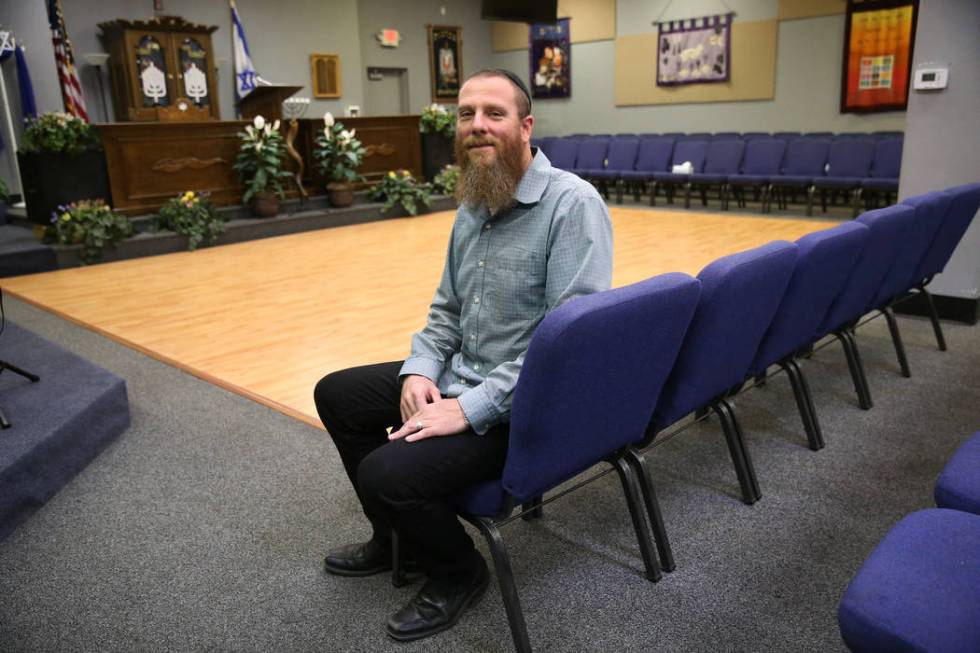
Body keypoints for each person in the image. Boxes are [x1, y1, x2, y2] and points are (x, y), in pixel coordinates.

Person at [314, 68, 613, 643]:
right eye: (466, 113)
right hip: (460, 373)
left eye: (494, 114)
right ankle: (395, 538)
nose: (477, 125)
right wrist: (421, 369)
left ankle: (459, 571)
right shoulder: (475, 202)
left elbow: (567, 345)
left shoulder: (572, 206)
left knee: (387, 471)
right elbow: (446, 310)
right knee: (338, 393)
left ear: (525, 126)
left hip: (525, 405)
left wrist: (467, 407)